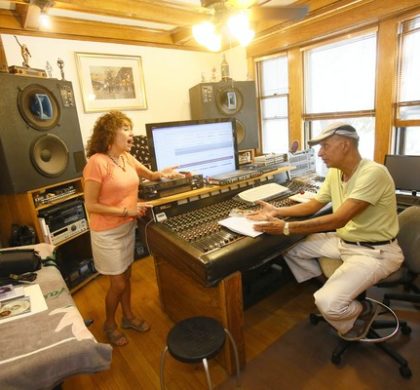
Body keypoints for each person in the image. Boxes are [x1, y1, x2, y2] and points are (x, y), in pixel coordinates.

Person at [248, 122, 404, 341]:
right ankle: (335, 291)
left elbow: (340, 218)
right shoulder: (335, 173)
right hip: (346, 241)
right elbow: (314, 204)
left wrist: (286, 227)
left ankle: (359, 311)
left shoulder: (374, 173)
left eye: (325, 146)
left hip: (375, 252)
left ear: (345, 145)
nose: (320, 153)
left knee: (327, 304)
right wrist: (277, 211)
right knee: (292, 248)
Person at [83, 111, 182, 346]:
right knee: (117, 283)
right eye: (125, 128)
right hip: (107, 232)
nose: (131, 133)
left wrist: (164, 174)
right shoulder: (97, 163)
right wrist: (127, 210)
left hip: (126, 227)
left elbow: (151, 175)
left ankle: (127, 317)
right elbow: (91, 205)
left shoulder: (127, 157)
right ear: (110, 134)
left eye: (131, 128)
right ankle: (109, 323)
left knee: (126, 276)